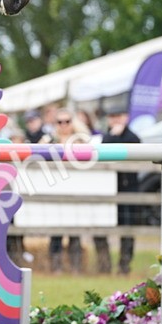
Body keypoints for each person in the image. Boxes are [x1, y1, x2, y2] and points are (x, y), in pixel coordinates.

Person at [94, 105, 141, 275]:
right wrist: (113, 136)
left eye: (118, 116)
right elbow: (103, 152)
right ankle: (104, 265)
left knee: (127, 228)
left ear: (125, 117)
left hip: (128, 188)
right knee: (101, 226)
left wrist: (115, 136)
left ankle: (124, 266)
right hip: (108, 189)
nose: (115, 120)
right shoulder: (105, 137)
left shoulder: (133, 137)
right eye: (112, 116)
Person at [48, 109, 89, 274]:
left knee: (75, 231)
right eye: (60, 122)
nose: (64, 125)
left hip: (75, 189)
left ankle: (76, 267)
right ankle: (56, 267)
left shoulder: (81, 141)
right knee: (55, 232)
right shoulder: (50, 140)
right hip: (55, 189)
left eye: (67, 121)